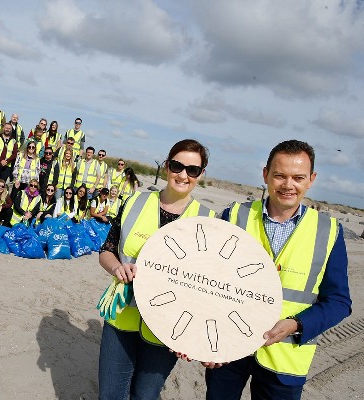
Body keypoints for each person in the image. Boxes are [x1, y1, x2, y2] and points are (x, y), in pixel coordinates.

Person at [205, 140, 352, 400]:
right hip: (228, 349)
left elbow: (339, 301)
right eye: (280, 176)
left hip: (285, 361)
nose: (288, 185)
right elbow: (206, 279)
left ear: (311, 179)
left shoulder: (328, 231)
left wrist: (297, 324)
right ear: (265, 175)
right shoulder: (234, 215)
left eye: (298, 177)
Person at [97, 139, 215, 400]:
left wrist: (193, 337)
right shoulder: (134, 202)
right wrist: (117, 267)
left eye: (192, 170)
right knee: (110, 395)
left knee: (145, 395)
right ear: (166, 166)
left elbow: (209, 288)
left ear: (201, 174)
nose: (183, 175)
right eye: (177, 166)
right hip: (122, 315)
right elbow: (106, 250)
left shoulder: (208, 220)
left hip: (168, 330)